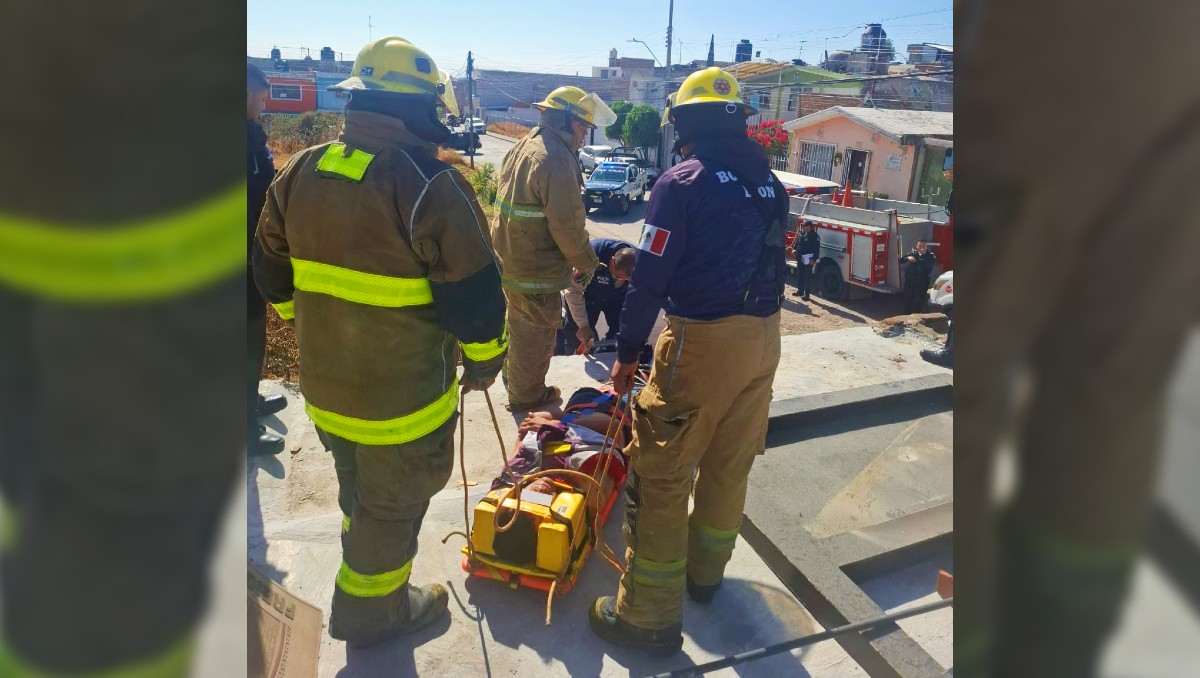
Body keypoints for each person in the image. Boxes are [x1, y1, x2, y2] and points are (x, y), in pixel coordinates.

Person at [253, 37, 507, 647]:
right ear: (418, 108)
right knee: (393, 506)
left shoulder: (302, 168)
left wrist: (300, 318)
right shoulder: (429, 185)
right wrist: (486, 361)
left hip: (326, 392)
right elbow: (475, 299)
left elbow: (268, 264)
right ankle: (374, 609)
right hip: (400, 404)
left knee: (359, 490)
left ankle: (365, 558)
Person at [589, 66, 788, 655]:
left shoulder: (682, 182)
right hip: (765, 340)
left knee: (662, 472)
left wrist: (627, 352)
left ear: (684, 123)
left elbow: (650, 278)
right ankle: (705, 578)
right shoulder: (769, 182)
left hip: (703, 343)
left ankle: (646, 617)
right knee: (729, 463)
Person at [491, 85, 617, 411]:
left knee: (518, 327)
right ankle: (527, 396)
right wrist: (588, 263)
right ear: (563, 120)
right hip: (535, 270)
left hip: (509, 260)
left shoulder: (525, 145)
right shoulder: (556, 160)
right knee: (536, 333)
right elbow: (568, 228)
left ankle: (515, 382)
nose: (583, 136)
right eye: (581, 127)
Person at [247, 63, 287, 457]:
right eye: (261, 92)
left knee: (251, 336)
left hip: (250, 256)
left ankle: (249, 398)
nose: (265, 99)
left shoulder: (249, 134)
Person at [563, 238, 637, 354]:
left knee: (622, 333)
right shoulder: (590, 257)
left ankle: (606, 354)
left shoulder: (642, 264)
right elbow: (573, 292)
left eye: (626, 280)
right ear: (612, 261)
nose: (619, 281)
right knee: (577, 334)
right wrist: (583, 325)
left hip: (618, 297)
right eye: (617, 277)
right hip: (588, 295)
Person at [901, 239, 936, 314]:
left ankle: (917, 318)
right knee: (908, 300)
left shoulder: (930, 256)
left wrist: (922, 256)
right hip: (910, 282)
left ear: (926, 247)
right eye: (920, 246)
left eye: (923, 246)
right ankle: (906, 316)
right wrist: (908, 258)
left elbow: (929, 265)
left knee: (919, 301)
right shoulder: (913, 254)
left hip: (922, 283)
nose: (921, 248)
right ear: (917, 246)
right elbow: (901, 260)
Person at [792, 220, 820, 300]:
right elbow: (798, 243)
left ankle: (807, 295)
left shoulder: (814, 236)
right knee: (800, 275)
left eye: (807, 226)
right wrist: (794, 250)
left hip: (809, 259)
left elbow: (816, 249)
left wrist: (814, 259)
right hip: (800, 257)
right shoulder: (802, 234)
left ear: (811, 227)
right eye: (804, 226)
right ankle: (800, 291)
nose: (805, 228)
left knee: (807, 277)